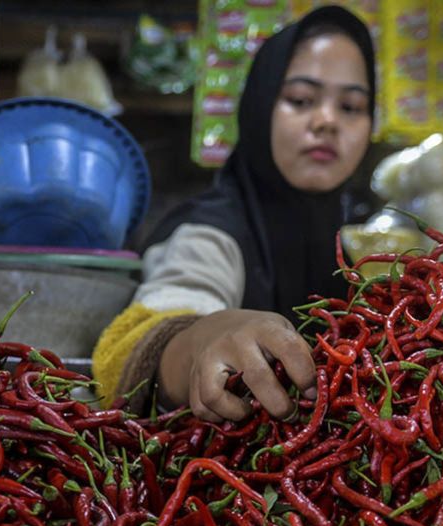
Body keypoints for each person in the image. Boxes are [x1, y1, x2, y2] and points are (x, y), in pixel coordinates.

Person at [92, 5, 375, 422]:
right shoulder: (210, 233)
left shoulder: (352, 248)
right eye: (300, 99)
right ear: (259, 107)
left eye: (351, 107)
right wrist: (204, 338)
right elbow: (149, 330)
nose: (327, 120)